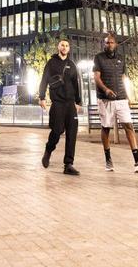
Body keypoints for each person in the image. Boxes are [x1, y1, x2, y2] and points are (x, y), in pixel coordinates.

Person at [93, 33, 138, 174]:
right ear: (104, 44)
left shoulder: (121, 58)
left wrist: (129, 95)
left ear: (116, 44)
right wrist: (106, 90)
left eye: (111, 42)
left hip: (122, 98)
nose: (109, 45)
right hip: (105, 99)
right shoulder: (98, 58)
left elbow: (124, 77)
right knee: (106, 128)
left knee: (128, 125)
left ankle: (137, 160)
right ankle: (108, 160)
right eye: (106, 43)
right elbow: (96, 77)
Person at [38, 38, 82, 175]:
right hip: (57, 102)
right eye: (62, 45)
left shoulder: (72, 64)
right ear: (58, 47)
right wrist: (42, 97)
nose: (64, 47)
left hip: (70, 103)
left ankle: (68, 164)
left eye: (67, 45)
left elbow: (76, 84)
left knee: (72, 133)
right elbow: (44, 79)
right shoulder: (51, 62)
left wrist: (78, 102)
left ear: (69, 49)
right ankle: (48, 150)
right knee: (57, 131)